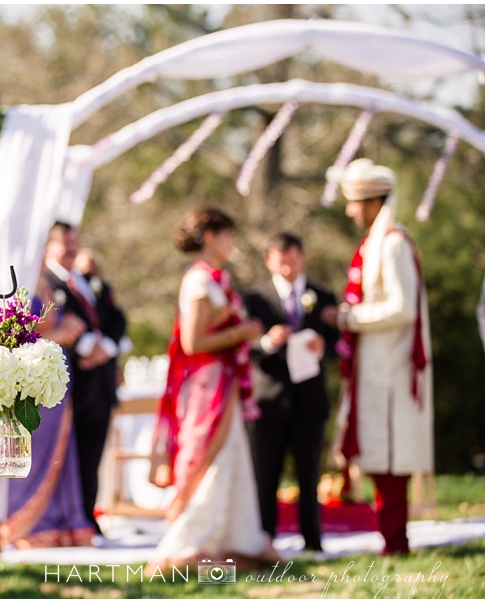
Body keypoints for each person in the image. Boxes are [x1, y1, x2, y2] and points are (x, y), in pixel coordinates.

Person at [147, 207, 279, 571]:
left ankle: (235, 539)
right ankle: (187, 541)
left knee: (231, 454)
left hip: (224, 380)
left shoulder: (218, 280)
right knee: (206, 455)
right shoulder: (199, 282)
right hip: (206, 383)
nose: (231, 243)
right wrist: (243, 332)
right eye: (227, 235)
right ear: (210, 237)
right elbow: (192, 342)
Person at [334, 158, 433, 555]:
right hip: (373, 368)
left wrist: (350, 317)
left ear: (372, 202)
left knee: (391, 458)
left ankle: (396, 543)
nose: (350, 211)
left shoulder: (392, 244)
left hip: (392, 368)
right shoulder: (375, 244)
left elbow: (403, 308)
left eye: (354, 203)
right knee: (377, 455)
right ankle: (390, 540)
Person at [243, 232, 340, 553]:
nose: (287, 264)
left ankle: (312, 541)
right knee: (265, 475)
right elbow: (244, 347)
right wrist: (267, 342)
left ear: (303, 257)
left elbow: (339, 345)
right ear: (270, 260)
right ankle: (264, 541)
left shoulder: (323, 296)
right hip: (268, 399)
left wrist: (323, 347)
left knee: (309, 474)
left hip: (309, 399)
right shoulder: (254, 299)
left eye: (293, 258)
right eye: (281, 258)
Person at [0, 269, 96, 548]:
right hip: (30, 385)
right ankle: (27, 524)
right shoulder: (15, 283)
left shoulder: (46, 284)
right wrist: (59, 334)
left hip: (54, 382)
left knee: (60, 453)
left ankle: (62, 520)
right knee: (34, 453)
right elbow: (11, 339)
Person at [39, 222, 126, 535]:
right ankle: (75, 517)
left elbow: (116, 319)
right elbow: (49, 332)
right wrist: (86, 347)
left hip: (100, 382)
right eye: (65, 243)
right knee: (73, 456)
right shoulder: (45, 284)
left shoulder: (86, 281)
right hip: (72, 384)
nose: (73, 249)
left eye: (75, 242)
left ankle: (88, 515)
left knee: (94, 451)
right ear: (49, 247)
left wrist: (107, 347)